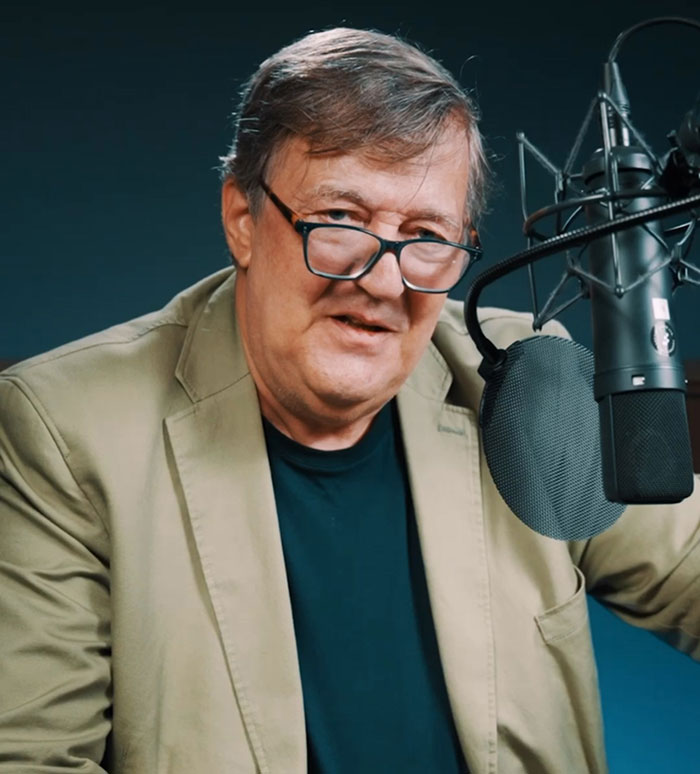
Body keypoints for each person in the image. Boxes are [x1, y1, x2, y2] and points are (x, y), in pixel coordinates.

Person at [0, 26, 698, 774]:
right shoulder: (62, 429)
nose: (385, 282)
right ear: (243, 217)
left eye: (426, 234)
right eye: (341, 220)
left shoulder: (527, 381)